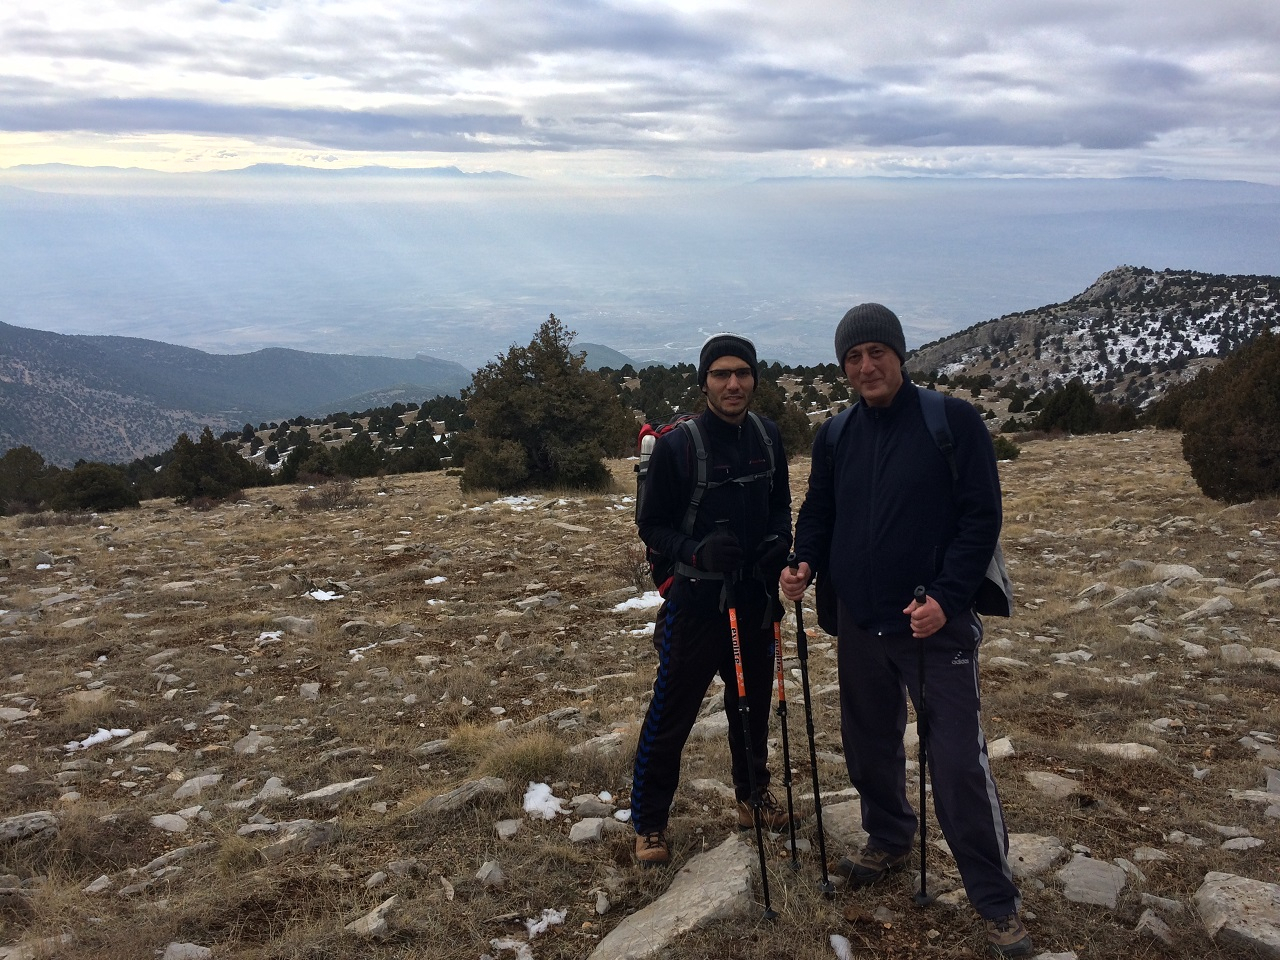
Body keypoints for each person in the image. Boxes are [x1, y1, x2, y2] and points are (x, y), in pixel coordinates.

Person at [780, 304, 1032, 957]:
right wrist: (803, 560)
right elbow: (819, 511)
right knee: (868, 745)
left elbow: (981, 518)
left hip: (933, 628)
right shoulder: (836, 435)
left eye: (876, 353)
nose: (866, 367)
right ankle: (890, 838)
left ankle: (996, 900)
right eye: (853, 358)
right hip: (860, 622)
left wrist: (947, 598)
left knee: (957, 763)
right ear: (843, 367)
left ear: (899, 355)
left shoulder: (952, 422)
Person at [630, 333, 794, 867]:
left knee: (752, 707)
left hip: (754, 598)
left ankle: (752, 798)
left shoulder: (768, 436)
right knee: (672, 714)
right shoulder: (680, 446)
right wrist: (696, 552)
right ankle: (649, 823)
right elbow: (651, 525)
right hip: (696, 604)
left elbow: (780, 505)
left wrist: (779, 541)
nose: (733, 383)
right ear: (704, 383)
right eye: (721, 374)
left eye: (742, 373)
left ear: (754, 380)